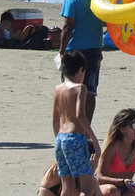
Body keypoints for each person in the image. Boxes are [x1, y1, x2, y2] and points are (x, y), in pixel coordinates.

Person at [52, 50, 101, 196]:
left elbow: (55, 120)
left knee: (67, 187)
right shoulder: (80, 88)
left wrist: (58, 140)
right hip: (75, 138)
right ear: (81, 70)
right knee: (86, 186)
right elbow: (80, 115)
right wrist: (93, 140)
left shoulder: (58, 89)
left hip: (60, 138)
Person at [59, 0, 103, 122]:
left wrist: (62, 50)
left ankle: (71, 122)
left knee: (71, 87)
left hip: (75, 49)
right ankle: (86, 125)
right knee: (90, 90)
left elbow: (67, 26)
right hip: (95, 49)